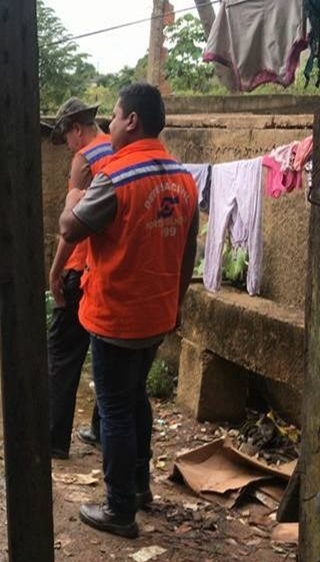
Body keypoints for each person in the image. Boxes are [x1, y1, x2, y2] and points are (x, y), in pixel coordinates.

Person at [59, 83, 198, 538]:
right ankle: (139, 487)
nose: (109, 126)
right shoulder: (182, 176)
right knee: (136, 398)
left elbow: (71, 228)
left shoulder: (115, 177)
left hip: (116, 315)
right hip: (157, 315)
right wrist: (175, 304)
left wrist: (74, 197)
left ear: (132, 121)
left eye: (114, 118)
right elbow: (188, 250)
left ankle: (119, 509)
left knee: (116, 409)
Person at [47, 97, 113, 459]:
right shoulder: (118, 153)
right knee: (106, 353)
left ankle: (54, 440)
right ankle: (102, 431)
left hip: (77, 269)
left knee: (62, 356)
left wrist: (55, 272)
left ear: (76, 129)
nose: (68, 146)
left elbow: (71, 229)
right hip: (106, 271)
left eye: (67, 137)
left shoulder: (84, 160)